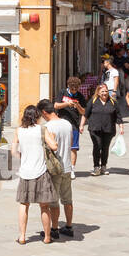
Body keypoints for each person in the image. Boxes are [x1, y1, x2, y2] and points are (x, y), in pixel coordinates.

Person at [13, 104, 56, 244]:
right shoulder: (42, 129)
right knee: (44, 206)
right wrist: (53, 139)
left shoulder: (19, 130)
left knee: (24, 205)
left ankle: (22, 237)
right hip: (41, 172)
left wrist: (23, 158)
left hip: (25, 172)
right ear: (37, 117)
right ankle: (47, 237)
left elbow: (14, 151)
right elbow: (54, 146)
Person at [41, 98, 75, 238]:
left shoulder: (48, 127)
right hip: (67, 166)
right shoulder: (67, 124)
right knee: (67, 199)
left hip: (55, 168)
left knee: (54, 201)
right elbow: (71, 143)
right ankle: (69, 226)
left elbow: (49, 147)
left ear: (44, 112)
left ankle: (54, 229)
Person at [84, 81, 125, 176]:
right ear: (98, 92)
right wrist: (81, 125)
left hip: (108, 129)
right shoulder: (93, 101)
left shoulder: (113, 102)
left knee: (105, 148)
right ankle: (96, 167)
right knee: (97, 146)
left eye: (106, 91)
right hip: (95, 128)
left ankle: (103, 166)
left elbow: (118, 116)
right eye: (102, 91)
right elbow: (86, 114)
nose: (104, 93)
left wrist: (121, 127)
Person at [54, 76, 85, 172]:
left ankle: (72, 169)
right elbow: (56, 105)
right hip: (61, 123)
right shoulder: (62, 93)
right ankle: (59, 166)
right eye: (72, 89)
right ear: (68, 86)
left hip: (74, 124)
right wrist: (67, 104)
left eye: (76, 89)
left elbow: (83, 112)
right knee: (58, 146)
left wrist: (78, 105)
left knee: (73, 148)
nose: (74, 91)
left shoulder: (80, 96)